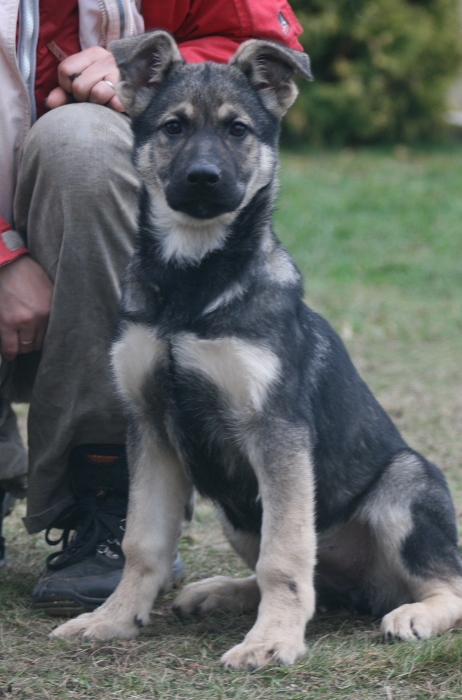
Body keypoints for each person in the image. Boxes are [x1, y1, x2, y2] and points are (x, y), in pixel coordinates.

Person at [0, 0, 304, 615]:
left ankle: (107, 487)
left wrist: (155, 78)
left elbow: (254, 33)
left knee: (83, 140)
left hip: (93, 255)